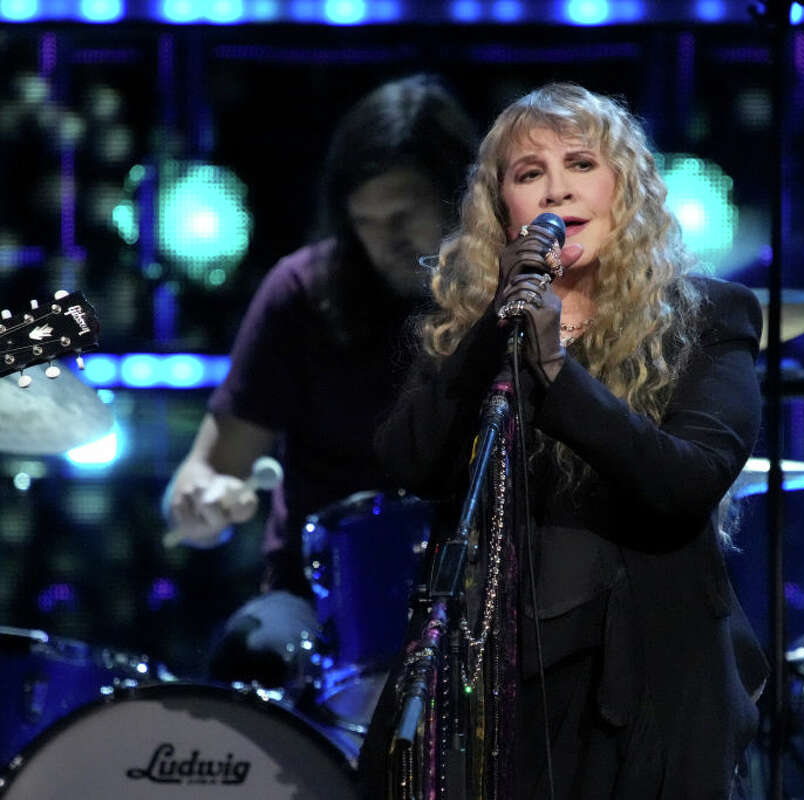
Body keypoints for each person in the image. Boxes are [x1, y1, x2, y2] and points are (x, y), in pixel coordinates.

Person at [364, 83, 768, 799]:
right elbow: (408, 460)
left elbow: (684, 482)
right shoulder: (468, 331)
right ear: (503, 209)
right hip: (489, 677)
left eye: (581, 164)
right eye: (528, 175)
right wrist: (497, 327)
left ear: (626, 187)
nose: (556, 191)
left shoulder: (710, 319)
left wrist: (555, 370)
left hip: (643, 685)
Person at [162, 74, 477, 686]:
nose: (387, 242)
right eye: (366, 221)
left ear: (461, 196)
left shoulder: (520, 299)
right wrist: (200, 501)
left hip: (484, 604)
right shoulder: (300, 294)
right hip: (316, 608)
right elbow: (209, 470)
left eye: (405, 217)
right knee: (248, 658)